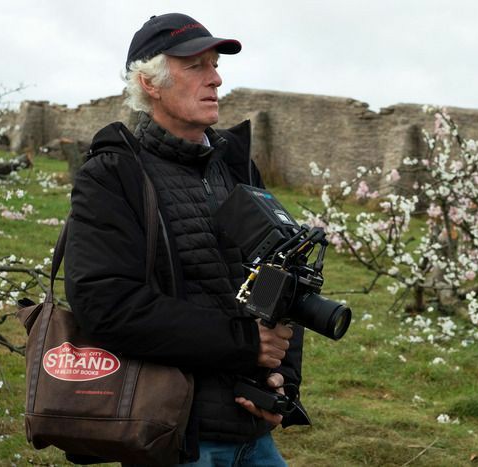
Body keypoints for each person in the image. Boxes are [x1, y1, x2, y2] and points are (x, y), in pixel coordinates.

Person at [64, 13, 307, 466]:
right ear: (149, 83)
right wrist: (244, 343)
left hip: (253, 436)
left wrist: (281, 385)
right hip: (173, 435)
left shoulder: (235, 166)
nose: (216, 78)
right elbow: (107, 305)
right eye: (196, 66)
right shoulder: (115, 176)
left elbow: (284, 279)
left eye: (215, 65)